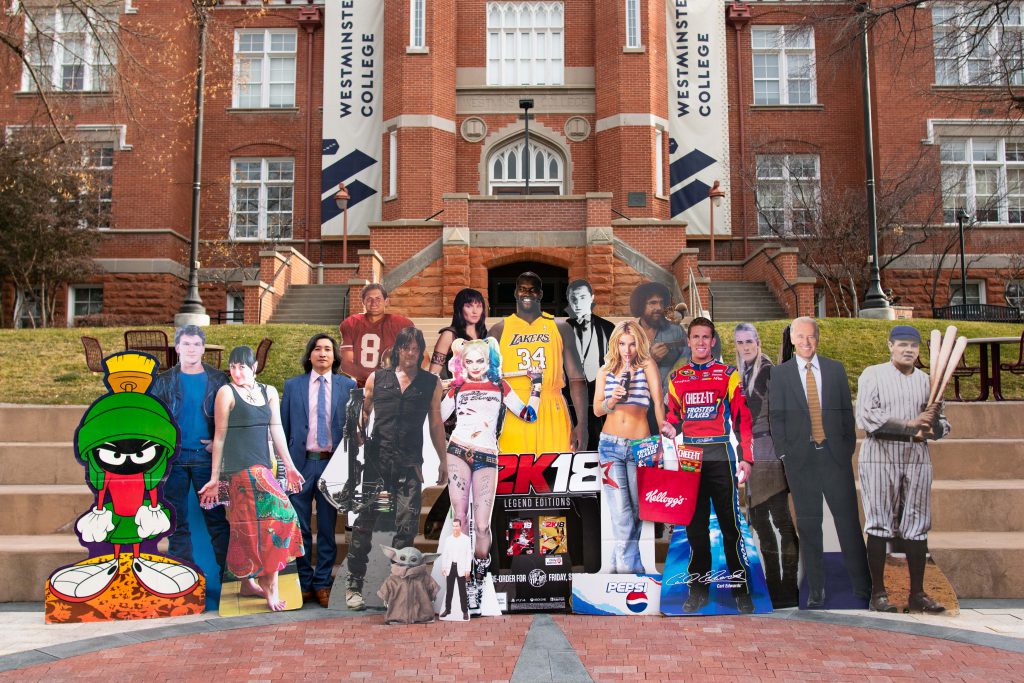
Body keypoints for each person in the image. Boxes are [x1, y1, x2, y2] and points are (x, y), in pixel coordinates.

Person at [768, 317, 871, 608]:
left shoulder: (835, 369)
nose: (805, 342)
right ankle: (816, 590)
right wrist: (785, 453)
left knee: (848, 523)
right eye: (800, 337)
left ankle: (862, 587)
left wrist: (845, 447)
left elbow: (845, 415)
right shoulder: (781, 374)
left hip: (834, 456)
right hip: (801, 460)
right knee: (810, 526)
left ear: (818, 338)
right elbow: (776, 417)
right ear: (792, 340)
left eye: (810, 337)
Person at [345, 327, 448, 610]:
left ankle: (398, 588)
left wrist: (443, 458)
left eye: (416, 348)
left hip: (410, 465)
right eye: (406, 347)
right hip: (377, 464)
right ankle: (354, 584)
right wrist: (358, 431)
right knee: (364, 523)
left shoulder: (431, 383)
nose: (410, 353)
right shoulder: (379, 378)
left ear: (422, 351)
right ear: (397, 350)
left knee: (406, 526)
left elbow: (436, 423)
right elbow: (364, 412)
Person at [199, 346, 305, 612]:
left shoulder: (269, 392)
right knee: (283, 517)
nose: (236, 372)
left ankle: (248, 582)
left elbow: (277, 430)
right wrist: (215, 478)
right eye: (232, 367)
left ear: (255, 366)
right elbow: (220, 437)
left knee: (250, 529)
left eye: (242, 366)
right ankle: (270, 585)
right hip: (241, 471)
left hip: (263, 469)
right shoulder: (227, 392)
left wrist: (289, 466)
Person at [664, 317, 754, 613]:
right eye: (696, 337)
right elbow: (674, 418)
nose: (701, 342)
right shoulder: (677, 379)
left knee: (731, 525)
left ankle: (741, 590)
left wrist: (747, 457)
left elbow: (742, 418)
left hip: (721, 454)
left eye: (706, 337)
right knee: (695, 527)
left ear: (713, 341)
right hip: (690, 455)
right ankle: (698, 589)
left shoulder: (727, 374)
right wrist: (668, 429)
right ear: (688, 341)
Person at [856, 325, 948, 614]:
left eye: (913, 346)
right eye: (902, 344)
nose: (908, 350)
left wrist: (933, 426)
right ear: (890, 346)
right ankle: (878, 594)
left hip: (916, 454)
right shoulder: (873, 374)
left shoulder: (927, 381)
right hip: (880, 452)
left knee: (917, 525)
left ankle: (917, 594)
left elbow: (942, 425)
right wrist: (911, 423)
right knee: (879, 522)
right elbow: (867, 417)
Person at [441, 337, 541, 602]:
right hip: (458, 451)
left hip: (487, 455)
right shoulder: (457, 387)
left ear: (489, 362)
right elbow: (437, 417)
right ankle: (463, 580)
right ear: (462, 364)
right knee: (459, 521)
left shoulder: (500, 385)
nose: (475, 366)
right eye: (469, 361)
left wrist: (537, 385)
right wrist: (437, 391)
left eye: (480, 360)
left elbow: (529, 414)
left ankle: (480, 576)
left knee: (483, 525)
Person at [281, 334, 356, 608]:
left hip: (331, 464)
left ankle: (323, 582)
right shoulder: (293, 386)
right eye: (317, 348)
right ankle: (303, 581)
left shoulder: (347, 386)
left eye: (327, 349)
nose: (322, 353)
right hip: (300, 465)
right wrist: (285, 466)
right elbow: (284, 428)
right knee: (299, 526)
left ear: (335, 356)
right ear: (309, 355)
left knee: (326, 527)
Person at [150, 325, 230, 579]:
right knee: (177, 521)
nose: (191, 349)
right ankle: (183, 579)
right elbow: (154, 419)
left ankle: (228, 576)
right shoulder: (163, 381)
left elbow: (231, 416)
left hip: (206, 460)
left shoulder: (218, 380)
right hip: (175, 460)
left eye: (196, 344)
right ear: (177, 348)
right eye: (186, 344)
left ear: (203, 348)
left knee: (216, 521)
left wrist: (219, 442)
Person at [593, 320, 671, 574]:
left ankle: (621, 562)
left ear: (640, 343)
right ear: (615, 343)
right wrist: (611, 400)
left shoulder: (647, 365)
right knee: (622, 513)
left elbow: (658, 403)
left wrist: (664, 432)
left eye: (632, 343)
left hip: (643, 445)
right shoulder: (605, 370)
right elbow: (596, 410)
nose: (627, 349)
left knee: (639, 510)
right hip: (610, 446)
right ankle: (632, 572)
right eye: (622, 343)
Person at [734, 322, 799, 608]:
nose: (746, 347)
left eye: (750, 341)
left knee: (778, 519)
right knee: (762, 522)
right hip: (751, 451)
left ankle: (786, 587)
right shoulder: (741, 374)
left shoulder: (769, 371)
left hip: (769, 450)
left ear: (758, 342)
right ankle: (774, 584)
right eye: (741, 343)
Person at [488, 272, 589, 453]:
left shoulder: (560, 327)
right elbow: (488, 382)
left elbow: (577, 379)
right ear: (515, 293)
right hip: (514, 408)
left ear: (540, 294)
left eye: (533, 290)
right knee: (516, 477)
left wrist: (582, 424)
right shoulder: (498, 330)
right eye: (522, 289)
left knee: (555, 476)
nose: (527, 293)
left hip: (552, 406)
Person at [565, 279, 615, 452]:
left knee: (601, 445)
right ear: (569, 300)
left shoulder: (608, 328)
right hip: (571, 398)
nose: (578, 303)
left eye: (583, 297)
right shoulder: (561, 329)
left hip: (600, 396)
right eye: (574, 298)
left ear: (592, 298)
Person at [339, 283, 414, 388]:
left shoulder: (401, 324)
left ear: (386, 301)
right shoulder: (351, 323)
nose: (374, 303)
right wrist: (374, 379)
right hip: (363, 387)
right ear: (363, 301)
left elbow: (422, 357)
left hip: (395, 387)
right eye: (369, 299)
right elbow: (346, 363)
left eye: (378, 299)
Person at [630, 282, 685, 388]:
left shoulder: (676, 331)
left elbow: (689, 361)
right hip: (638, 398)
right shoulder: (628, 335)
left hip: (670, 398)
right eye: (653, 303)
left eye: (661, 302)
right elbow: (620, 371)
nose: (659, 307)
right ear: (640, 306)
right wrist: (650, 359)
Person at [429, 288, 488, 378]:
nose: (475, 311)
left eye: (479, 306)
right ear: (460, 308)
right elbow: (433, 374)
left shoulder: (485, 335)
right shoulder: (449, 335)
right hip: (455, 389)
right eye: (469, 306)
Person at [439, 518, 473, 620]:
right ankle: (447, 609)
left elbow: (468, 555)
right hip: (450, 567)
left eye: (457, 526)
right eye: (453, 526)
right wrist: (444, 567)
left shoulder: (466, 539)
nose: (455, 528)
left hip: (461, 568)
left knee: (462, 591)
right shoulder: (448, 539)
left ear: (460, 526)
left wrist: (468, 569)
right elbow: (445, 554)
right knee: (449, 590)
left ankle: (465, 612)